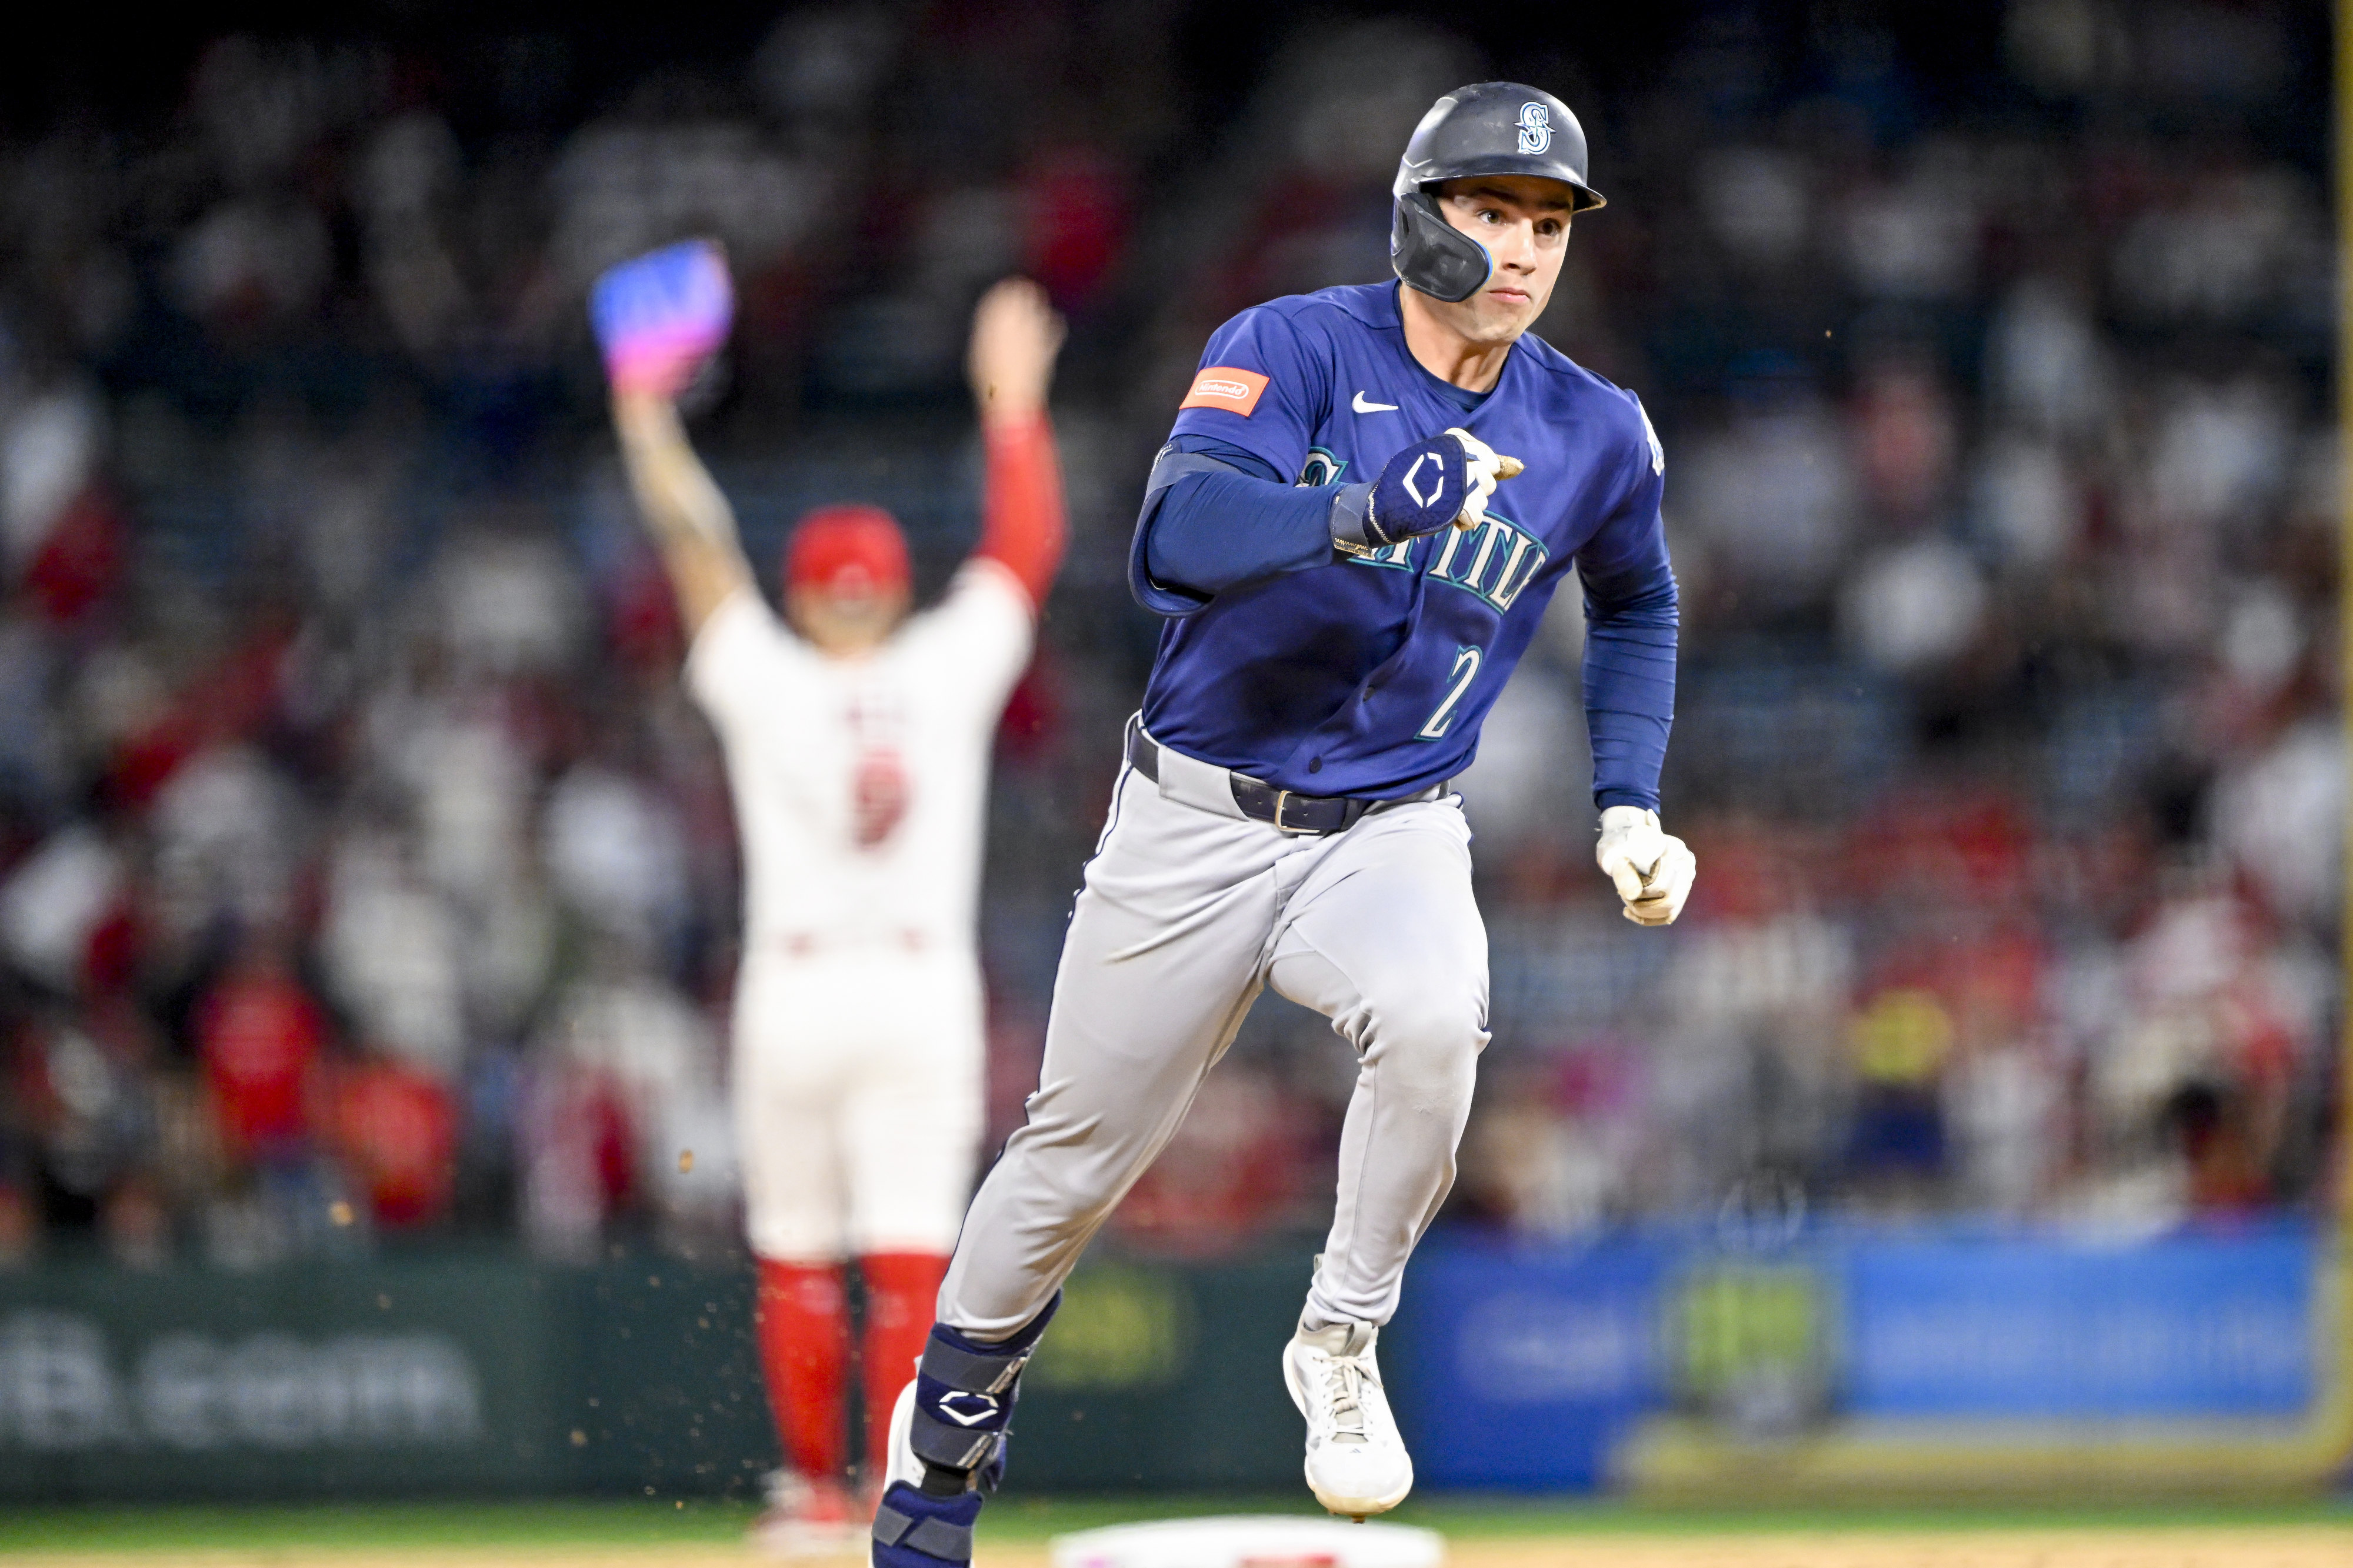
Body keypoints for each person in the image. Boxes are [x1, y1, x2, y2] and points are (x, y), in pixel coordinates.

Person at [868, 83, 1695, 1567]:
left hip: (1388, 821)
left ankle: (1338, 1337)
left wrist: (1626, 793)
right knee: (1069, 1160)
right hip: (1193, 811)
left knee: (1435, 1022)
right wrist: (1366, 507)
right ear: (1417, 216)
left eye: (1547, 221)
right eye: (1489, 210)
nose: (1521, 247)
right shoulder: (1294, 345)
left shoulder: (1592, 426)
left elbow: (1637, 597)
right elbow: (1172, 540)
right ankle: (948, 1431)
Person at [591, 246, 1066, 1555]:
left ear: (802, 594)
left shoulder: (766, 674)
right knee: (910, 1258)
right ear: (894, 587)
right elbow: (1024, 548)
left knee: (797, 1255)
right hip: (916, 987)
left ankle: (809, 1496)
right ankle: (895, 1496)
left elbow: (695, 547)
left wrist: (644, 416)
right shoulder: (945, 666)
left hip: (793, 988)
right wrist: (1011, 403)